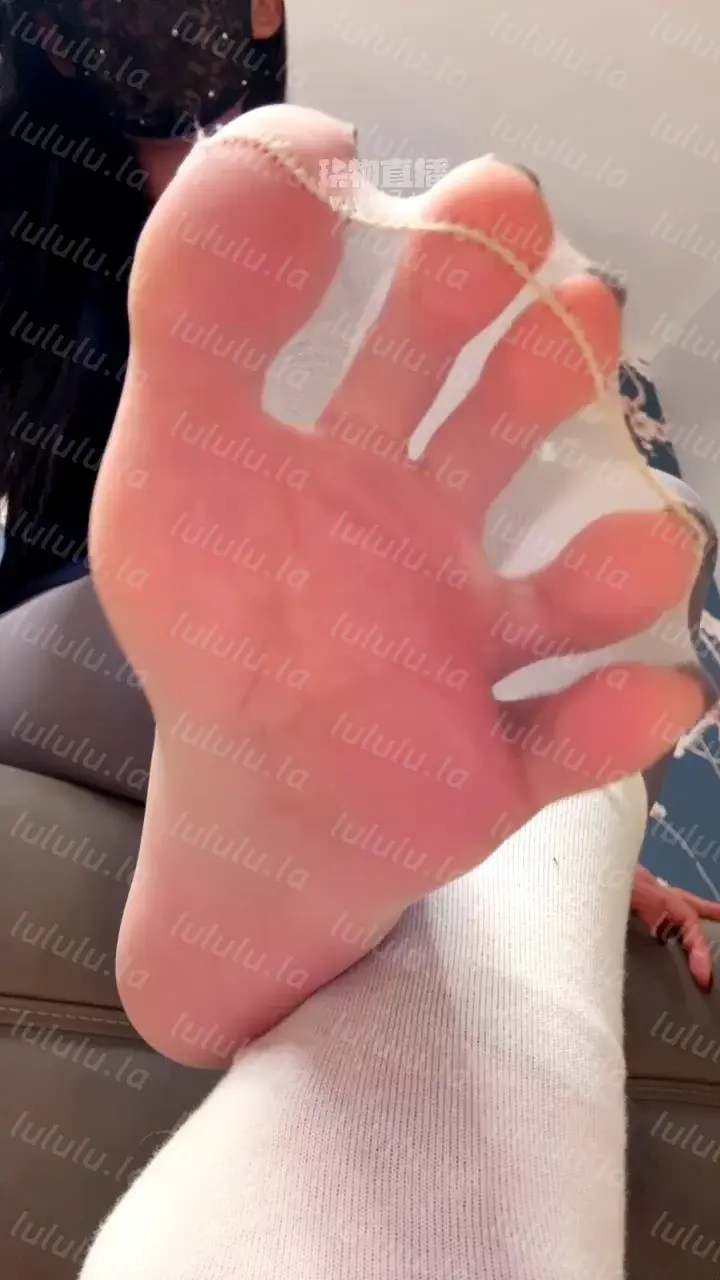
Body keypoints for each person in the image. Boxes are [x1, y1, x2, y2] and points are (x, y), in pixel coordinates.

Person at [0, 4, 718, 1278]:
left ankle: (470, 813)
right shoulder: (55, 174)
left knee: (620, 572)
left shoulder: (268, 192)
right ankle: (532, 834)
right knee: (569, 726)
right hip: (104, 614)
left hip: (170, 636)